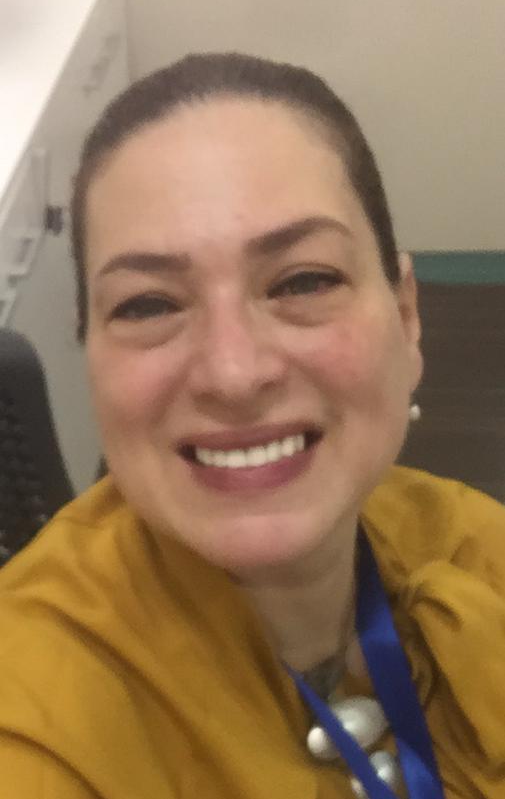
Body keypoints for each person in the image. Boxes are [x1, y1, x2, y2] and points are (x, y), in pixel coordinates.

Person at [0, 52, 504, 799]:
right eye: (148, 303)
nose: (234, 374)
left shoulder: (467, 543)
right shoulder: (34, 720)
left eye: (303, 280)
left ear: (405, 315)